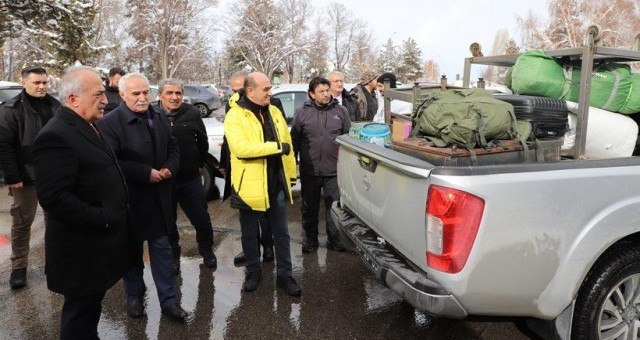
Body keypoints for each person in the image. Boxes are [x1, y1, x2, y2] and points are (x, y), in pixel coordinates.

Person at [31, 66, 135, 340]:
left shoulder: (86, 126)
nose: (106, 100)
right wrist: (104, 218)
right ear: (74, 99)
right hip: (81, 252)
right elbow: (55, 198)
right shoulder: (56, 136)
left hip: (95, 248)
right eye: (98, 94)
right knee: (79, 316)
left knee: (87, 313)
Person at [97, 72, 187, 321]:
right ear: (122, 95)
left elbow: (172, 145)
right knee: (131, 255)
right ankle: (134, 297)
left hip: (160, 198)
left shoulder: (158, 115)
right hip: (130, 201)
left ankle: (169, 301)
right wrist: (145, 173)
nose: (142, 97)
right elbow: (112, 162)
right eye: (135, 93)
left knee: (162, 251)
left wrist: (171, 165)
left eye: (145, 92)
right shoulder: (109, 123)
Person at [224, 72, 301, 296]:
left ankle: (285, 275)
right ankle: (253, 271)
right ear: (250, 91)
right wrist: (276, 148)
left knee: (282, 234)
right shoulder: (235, 116)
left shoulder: (274, 110)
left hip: (275, 183)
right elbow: (241, 149)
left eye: (270, 88)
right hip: (248, 187)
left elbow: (287, 146)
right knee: (249, 234)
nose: (271, 92)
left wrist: (290, 175)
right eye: (266, 89)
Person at [0, 66, 60, 289]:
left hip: (54, 174)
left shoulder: (55, 106)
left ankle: (53, 264)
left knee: (54, 220)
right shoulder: (11, 108)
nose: (42, 86)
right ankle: (19, 268)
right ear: (24, 82)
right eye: (37, 83)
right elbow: (4, 144)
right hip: (25, 176)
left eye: (44, 82)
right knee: (23, 221)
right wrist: (13, 175)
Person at [155, 78, 217, 273]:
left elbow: (203, 142)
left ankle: (206, 250)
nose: (174, 97)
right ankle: (174, 254)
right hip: (164, 180)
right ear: (160, 95)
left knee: (201, 217)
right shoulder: (152, 114)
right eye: (169, 93)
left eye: (178, 93)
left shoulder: (192, 113)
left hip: (189, 178)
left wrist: (199, 165)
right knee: (167, 220)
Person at [221, 71, 281, 265]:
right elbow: (230, 141)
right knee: (248, 222)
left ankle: (268, 247)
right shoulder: (232, 108)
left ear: (249, 89)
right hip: (244, 173)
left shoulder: (272, 106)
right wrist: (224, 165)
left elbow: (279, 138)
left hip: (265, 171)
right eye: (234, 89)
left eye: (240, 88)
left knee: (266, 217)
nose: (237, 93)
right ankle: (251, 253)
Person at [291, 77, 350, 253]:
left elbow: (348, 139)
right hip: (310, 170)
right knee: (309, 207)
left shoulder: (340, 111)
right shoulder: (302, 113)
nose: (326, 94)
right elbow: (295, 140)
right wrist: (292, 164)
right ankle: (310, 239)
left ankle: (334, 239)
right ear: (311, 94)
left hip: (333, 171)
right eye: (321, 91)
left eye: (327, 90)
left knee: (334, 207)